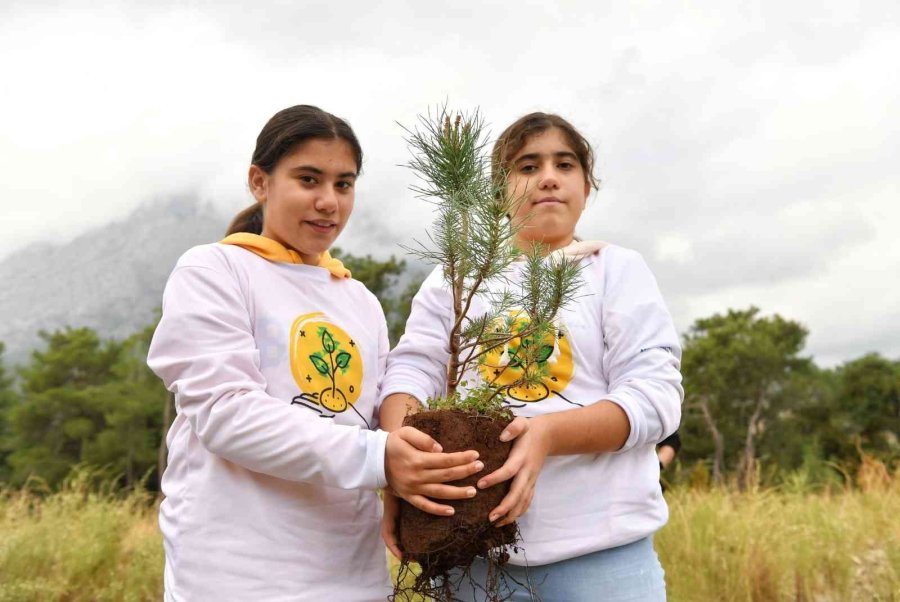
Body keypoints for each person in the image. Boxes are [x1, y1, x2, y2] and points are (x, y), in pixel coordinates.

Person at [147, 105, 482, 601]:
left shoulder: (358, 300)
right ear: (260, 182)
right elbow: (225, 412)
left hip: (352, 574)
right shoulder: (214, 270)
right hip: (235, 577)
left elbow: (373, 421)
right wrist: (380, 458)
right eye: (308, 180)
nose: (328, 202)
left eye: (344, 185)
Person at [379, 112, 683, 601]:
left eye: (565, 165)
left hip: (603, 556)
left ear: (586, 186)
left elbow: (655, 397)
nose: (548, 178)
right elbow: (411, 371)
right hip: (470, 554)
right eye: (526, 166)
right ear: (499, 193)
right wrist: (400, 457)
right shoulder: (456, 279)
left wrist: (546, 435)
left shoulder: (615, 270)